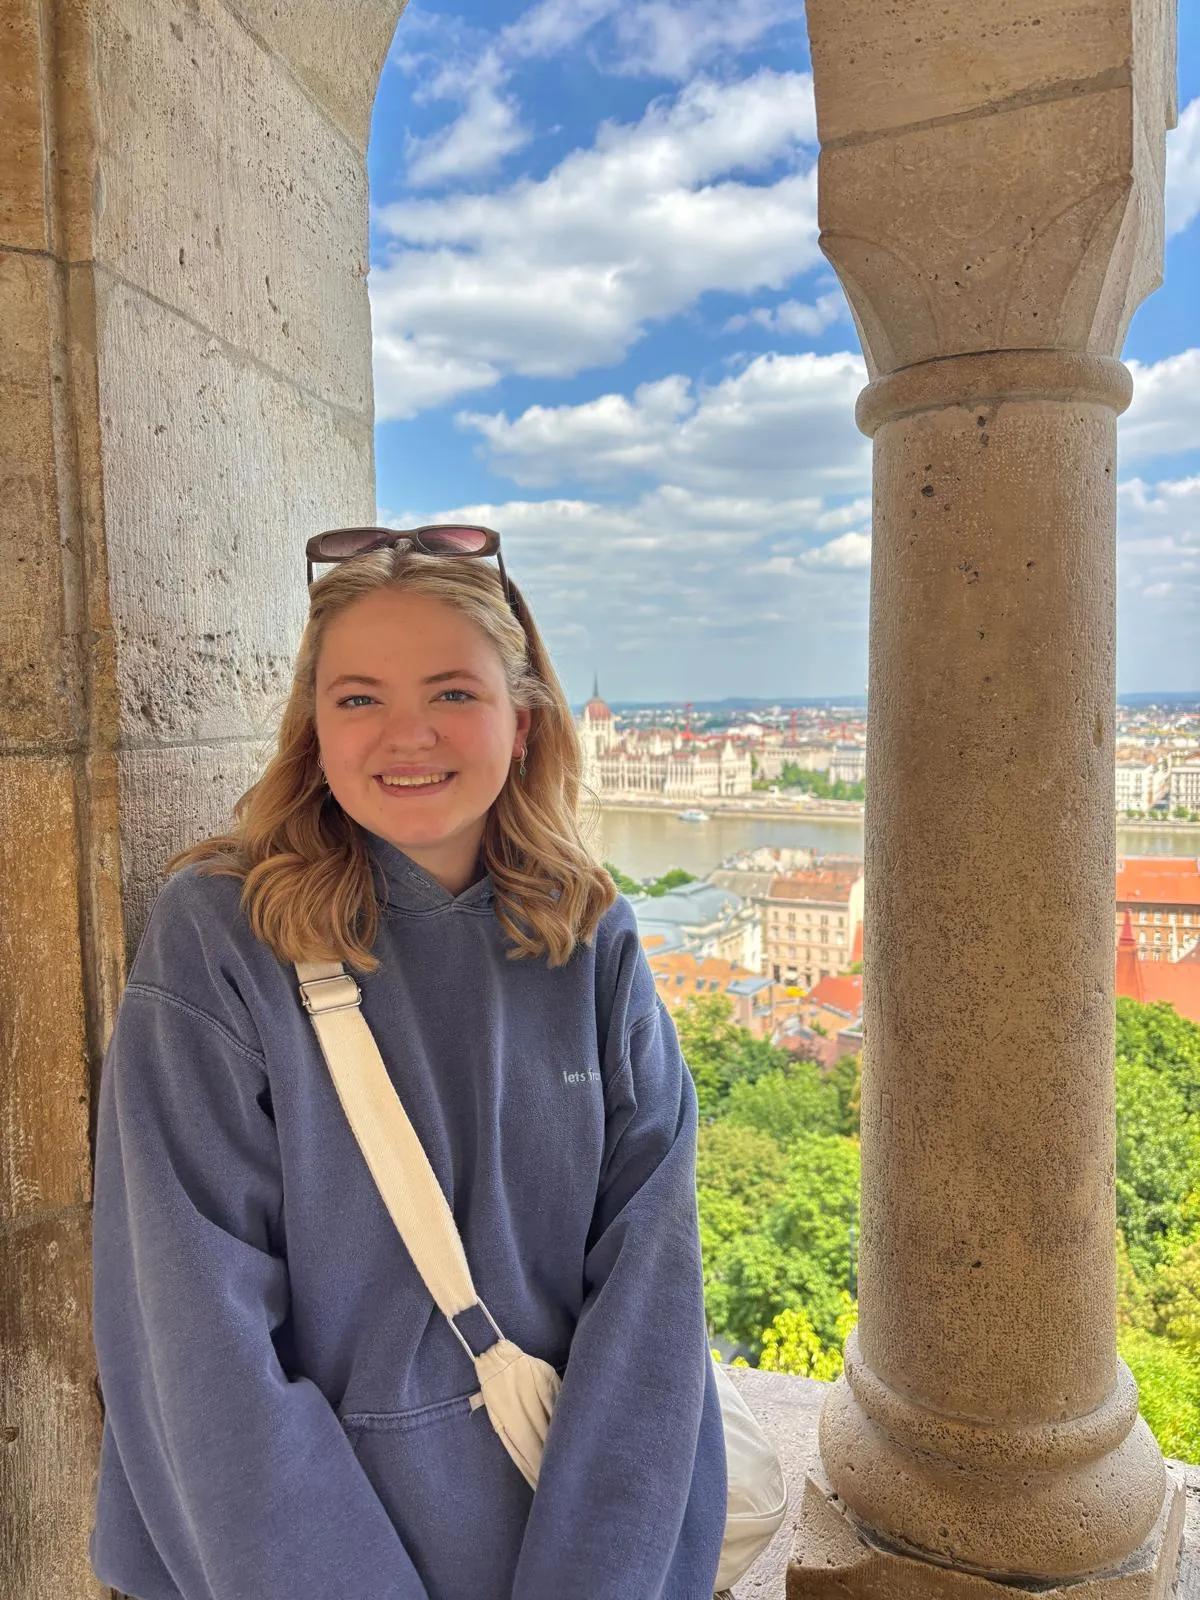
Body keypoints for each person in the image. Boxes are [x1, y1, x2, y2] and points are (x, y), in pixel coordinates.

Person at [88, 526, 728, 1600]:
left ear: (522, 722)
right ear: (315, 728)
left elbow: (650, 1313)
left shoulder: (591, 943)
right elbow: (196, 1345)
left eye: (451, 694)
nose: (407, 736)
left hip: (557, 1544)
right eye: (358, 698)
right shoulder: (220, 941)